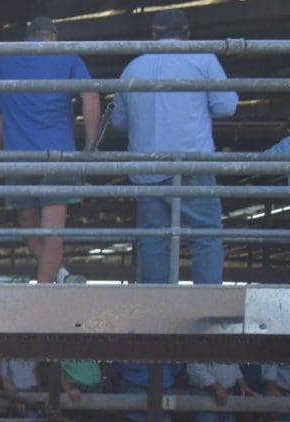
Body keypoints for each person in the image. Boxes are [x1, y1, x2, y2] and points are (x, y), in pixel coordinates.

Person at [111, 8, 238, 286]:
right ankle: (207, 303)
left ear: (153, 34)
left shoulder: (133, 68)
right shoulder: (203, 59)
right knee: (205, 235)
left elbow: (118, 121)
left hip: (146, 169)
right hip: (191, 165)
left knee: (154, 240)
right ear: (188, 34)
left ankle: (157, 311)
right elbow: (226, 107)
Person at [0, 16, 100, 284]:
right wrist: (90, 144)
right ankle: (49, 290)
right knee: (53, 234)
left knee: (28, 226)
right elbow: (91, 96)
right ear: (54, 36)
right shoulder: (66, 56)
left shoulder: (5, 61)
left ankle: (57, 279)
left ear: (29, 36)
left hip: (18, 158)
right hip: (58, 155)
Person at [185, 362, 255, 422]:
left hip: (227, 395)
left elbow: (233, 364)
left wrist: (242, 383)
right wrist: (217, 387)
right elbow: (194, 368)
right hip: (205, 394)